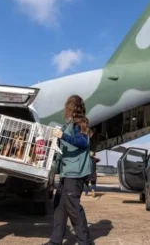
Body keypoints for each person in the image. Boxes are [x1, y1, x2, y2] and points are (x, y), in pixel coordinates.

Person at [44, 95, 93, 245]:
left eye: (68, 107)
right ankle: (55, 241)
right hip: (67, 172)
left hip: (76, 173)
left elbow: (83, 142)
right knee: (59, 206)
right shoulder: (69, 125)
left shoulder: (81, 124)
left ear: (72, 108)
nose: (66, 110)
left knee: (73, 207)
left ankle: (85, 241)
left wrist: (63, 136)